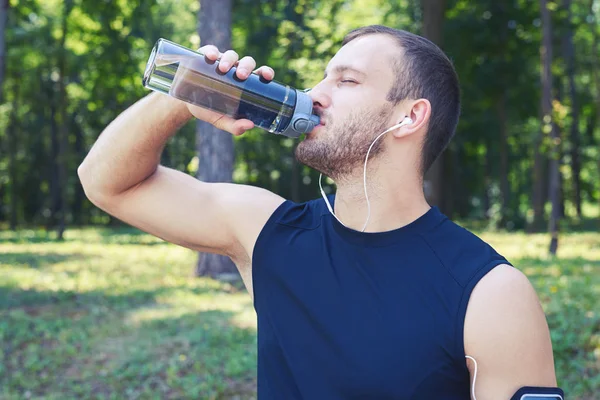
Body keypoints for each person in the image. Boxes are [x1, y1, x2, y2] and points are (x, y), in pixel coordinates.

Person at [79, 25, 560, 399]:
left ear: (409, 117)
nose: (315, 95)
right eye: (321, 77)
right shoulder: (265, 231)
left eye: (346, 80)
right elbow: (106, 183)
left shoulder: (490, 292)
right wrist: (187, 96)